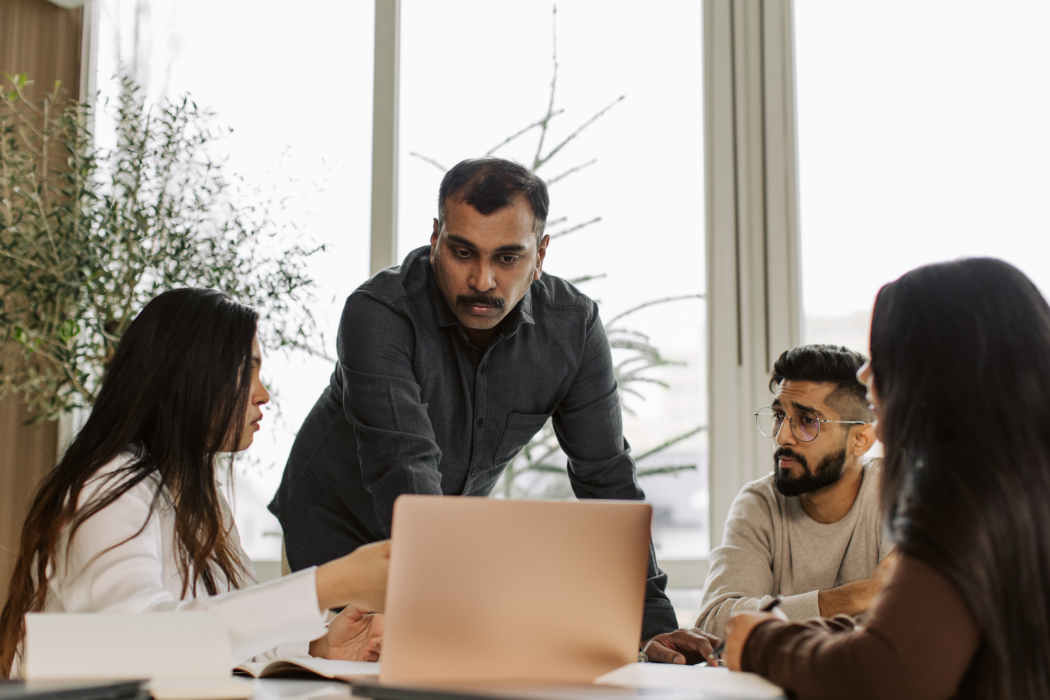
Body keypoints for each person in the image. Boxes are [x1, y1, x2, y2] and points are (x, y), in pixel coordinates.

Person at [269, 157, 718, 664]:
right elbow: (404, 464)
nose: (482, 280)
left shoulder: (573, 327)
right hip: (335, 534)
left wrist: (650, 625)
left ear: (540, 254)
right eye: (463, 252)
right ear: (435, 236)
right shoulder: (379, 313)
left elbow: (607, 479)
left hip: (438, 539)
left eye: (507, 258)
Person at [0, 289, 390, 678]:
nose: (263, 394)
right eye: (246, 371)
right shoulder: (107, 488)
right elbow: (141, 642)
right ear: (190, 376)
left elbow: (225, 626)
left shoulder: (200, 494)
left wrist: (317, 644)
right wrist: (327, 584)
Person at [724, 258, 1050, 699]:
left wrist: (764, 641)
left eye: (883, 358)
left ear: (941, 375)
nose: (865, 375)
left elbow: (885, 674)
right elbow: (921, 634)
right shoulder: (1017, 495)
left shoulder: (962, 508)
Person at [696, 345, 894, 639]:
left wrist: (773, 619)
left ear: (861, 440)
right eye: (779, 415)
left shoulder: (895, 496)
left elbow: (911, 623)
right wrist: (856, 597)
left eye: (807, 421)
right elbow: (716, 621)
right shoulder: (759, 504)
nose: (781, 436)